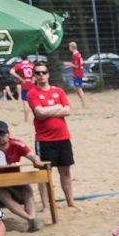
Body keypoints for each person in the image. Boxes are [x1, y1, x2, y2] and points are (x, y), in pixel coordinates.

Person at [28, 64, 76, 209]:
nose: (41, 75)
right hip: (44, 139)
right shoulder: (33, 93)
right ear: (35, 75)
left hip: (63, 137)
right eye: (38, 73)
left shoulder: (58, 91)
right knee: (44, 174)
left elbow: (67, 110)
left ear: (48, 74)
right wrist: (57, 107)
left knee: (65, 171)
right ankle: (46, 205)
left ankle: (70, 202)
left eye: (44, 72)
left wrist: (48, 111)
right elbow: (39, 114)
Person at [0, 121, 44, 231]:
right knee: (3, 194)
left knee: (28, 190)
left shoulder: (17, 144)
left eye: (2, 134)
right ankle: (31, 219)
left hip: (15, 180)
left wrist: (37, 160)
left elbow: (31, 155)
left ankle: (32, 218)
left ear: (8, 133)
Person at [10, 57, 36, 123]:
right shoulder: (32, 65)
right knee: (34, 102)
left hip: (24, 84)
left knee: (25, 102)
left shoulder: (19, 65)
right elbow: (37, 72)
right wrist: (33, 78)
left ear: (21, 58)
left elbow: (11, 71)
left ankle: (26, 119)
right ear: (28, 57)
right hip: (32, 84)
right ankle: (36, 117)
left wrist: (20, 78)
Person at [68, 40, 89, 108]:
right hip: (77, 73)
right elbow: (82, 63)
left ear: (72, 47)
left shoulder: (75, 55)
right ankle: (83, 103)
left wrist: (69, 65)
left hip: (78, 73)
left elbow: (76, 65)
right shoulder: (78, 54)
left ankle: (84, 103)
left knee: (79, 89)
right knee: (76, 88)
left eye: (69, 47)